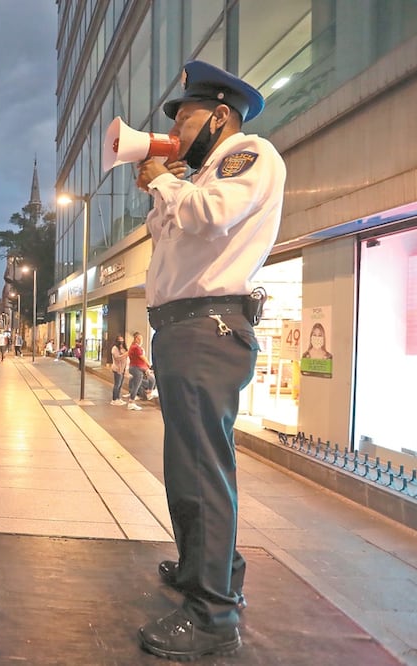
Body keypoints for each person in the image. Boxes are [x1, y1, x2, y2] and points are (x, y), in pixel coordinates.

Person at [134, 60, 286, 660]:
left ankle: (212, 613)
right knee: (188, 465)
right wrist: (169, 184)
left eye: (186, 116)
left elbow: (209, 215)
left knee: (200, 470)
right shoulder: (201, 175)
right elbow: (174, 232)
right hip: (184, 329)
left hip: (206, 327)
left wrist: (166, 182)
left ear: (219, 116)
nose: (176, 130)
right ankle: (210, 570)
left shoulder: (248, 154)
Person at [126, 333, 150, 411]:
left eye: (141, 339)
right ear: (136, 339)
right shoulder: (136, 347)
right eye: (139, 339)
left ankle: (133, 399)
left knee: (137, 384)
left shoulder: (132, 347)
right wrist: (149, 365)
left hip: (134, 368)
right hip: (137, 369)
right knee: (136, 385)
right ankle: (131, 402)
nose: (141, 341)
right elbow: (143, 358)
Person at [110, 336, 129, 406]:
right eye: (119, 340)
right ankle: (114, 399)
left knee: (120, 384)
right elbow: (117, 358)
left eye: (122, 340)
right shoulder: (115, 348)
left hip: (123, 369)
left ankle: (118, 398)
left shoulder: (123, 348)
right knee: (117, 384)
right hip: (117, 369)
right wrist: (125, 354)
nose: (121, 341)